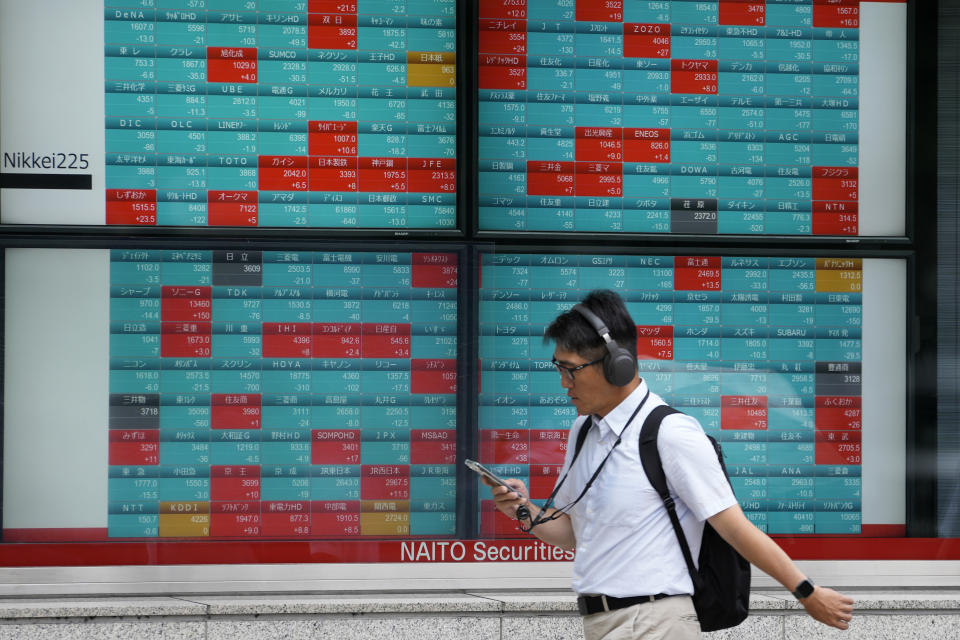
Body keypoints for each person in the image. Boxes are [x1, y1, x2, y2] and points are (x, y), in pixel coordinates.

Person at [484, 289, 855, 639]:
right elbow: (576, 535)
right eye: (558, 368)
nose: (563, 383)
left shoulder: (671, 434)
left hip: (655, 622)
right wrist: (521, 509)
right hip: (600, 623)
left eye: (572, 370)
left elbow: (735, 529)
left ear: (618, 366)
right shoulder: (584, 432)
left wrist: (806, 591)